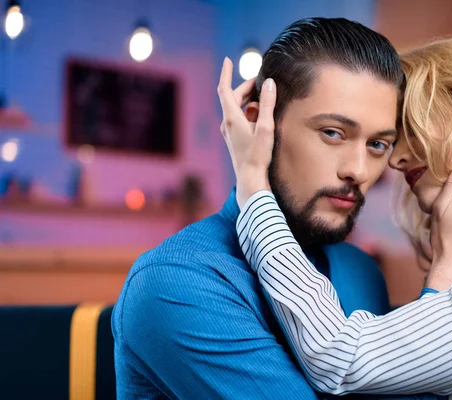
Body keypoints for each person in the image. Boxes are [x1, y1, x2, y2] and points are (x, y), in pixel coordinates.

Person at [220, 37, 452, 399]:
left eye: (414, 127)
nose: (396, 160)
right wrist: (450, 265)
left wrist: (254, 188)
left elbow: (342, 357)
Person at [112, 17, 432, 399]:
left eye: (378, 144)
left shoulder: (361, 270)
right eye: (333, 133)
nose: (359, 171)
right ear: (256, 124)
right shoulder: (175, 280)